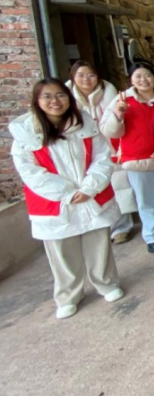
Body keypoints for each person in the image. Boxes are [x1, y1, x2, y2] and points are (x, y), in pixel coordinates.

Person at [11, 79, 125, 319]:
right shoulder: (26, 132)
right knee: (62, 252)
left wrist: (90, 187)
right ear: (37, 101)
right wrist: (67, 193)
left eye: (60, 95)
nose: (55, 101)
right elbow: (30, 172)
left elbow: (102, 157)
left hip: (90, 194)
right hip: (55, 201)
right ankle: (69, 295)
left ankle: (106, 283)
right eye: (47, 96)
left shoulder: (84, 123)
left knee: (99, 245)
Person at [100, 62, 154, 254]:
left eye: (147, 75)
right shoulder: (121, 100)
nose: (143, 80)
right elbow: (109, 131)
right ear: (131, 80)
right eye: (138, 76)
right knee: (145, 199)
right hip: (136, 157)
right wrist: (119, 113)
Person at [65, 60, 135, 244]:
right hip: (80, 146)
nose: (86, 79)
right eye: (80, 75)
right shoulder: (66, 96)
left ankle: (121, 226)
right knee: (88, 184)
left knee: (118, 184)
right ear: (73, 77)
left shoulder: (109, 93)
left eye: (91, 75)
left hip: (109, 142)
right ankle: (97, 226)